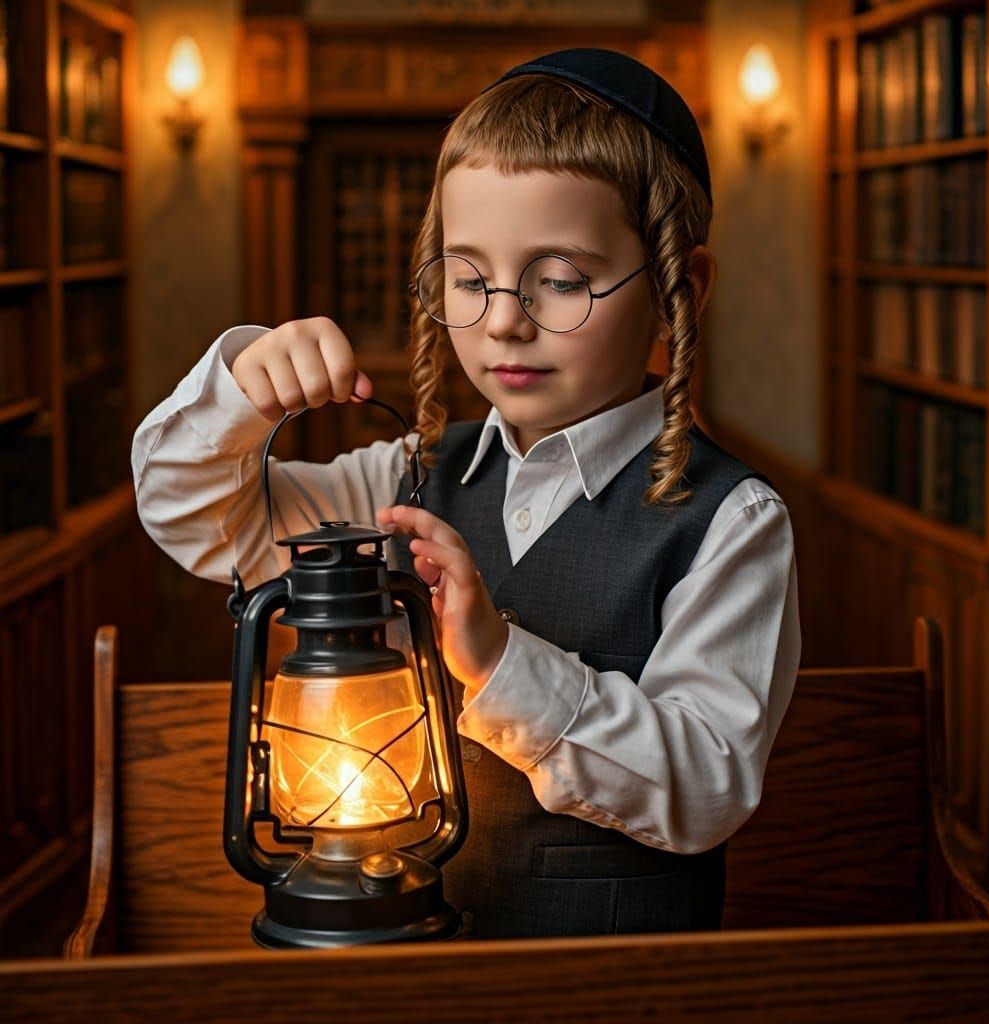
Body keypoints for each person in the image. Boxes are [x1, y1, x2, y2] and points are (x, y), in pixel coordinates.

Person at [132, 48, 800, 938]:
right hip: (414, 963)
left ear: (682, 289)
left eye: (560, 279)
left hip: (614, 984)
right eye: (468, 277)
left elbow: (705, 784)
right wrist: (240, 393)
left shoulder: (732, 524)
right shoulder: (404, 478)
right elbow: (194, 517)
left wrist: (499, 661)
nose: (503, 320)